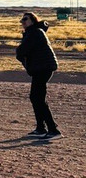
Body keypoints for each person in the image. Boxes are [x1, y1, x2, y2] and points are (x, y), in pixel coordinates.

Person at [16, 12, 61, 141]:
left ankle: (53, 129)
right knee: (35, 97)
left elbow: (22, 51)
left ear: (33, 20)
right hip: (40, 68)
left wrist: (20, 53)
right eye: (22, 20)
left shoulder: (35, 32)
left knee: (38, 98)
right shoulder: (33, 32)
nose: (22, 22)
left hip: (43, 68)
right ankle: (41, 128)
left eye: (25, 19)